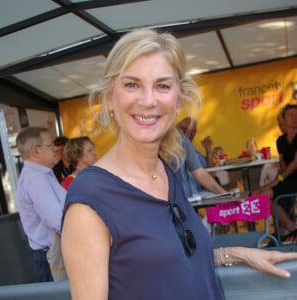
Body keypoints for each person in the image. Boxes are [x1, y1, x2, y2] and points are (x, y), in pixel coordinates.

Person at [61, 29, 297, 300]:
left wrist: (238, 254)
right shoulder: (90, 201)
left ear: (177, 99)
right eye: (132, 84)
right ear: (109, 98)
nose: (148, 101)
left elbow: (174, 260)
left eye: (162, 85)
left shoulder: (164, 171)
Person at [16, 127, 66, 282]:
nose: (55, 149)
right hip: (51, 255)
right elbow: (56, 219)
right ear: (35, 151)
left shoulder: (42, 174)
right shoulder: (36, 179)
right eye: (50, 145)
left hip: (53, 252)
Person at [253, 104, 297, 241]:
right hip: (289, 179)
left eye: (296, 114)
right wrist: (274, 183)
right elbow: (283, 167)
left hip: (294, 179)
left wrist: (276, 181)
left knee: (266, 194)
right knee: (259, 194)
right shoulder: (281, 141)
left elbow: (295, 164)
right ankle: (288, 227)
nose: (295, 118)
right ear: (283, 119)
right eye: (290, 115)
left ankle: (289, 228)